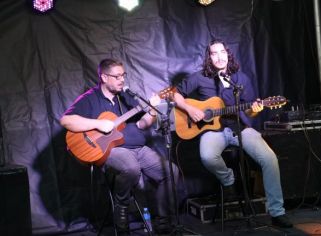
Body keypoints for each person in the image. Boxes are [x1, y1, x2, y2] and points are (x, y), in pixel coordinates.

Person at [173, 39, 293, 228]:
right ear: (209, 57)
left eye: (222, 52)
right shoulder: (198, 77)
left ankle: (277, 212)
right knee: (207, 156)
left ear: (228, 54)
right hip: (213, 130)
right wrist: (189, 109)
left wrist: (256, 108)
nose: (219, 57)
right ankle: (228, 179)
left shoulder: (240, 78)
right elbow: (176, 94)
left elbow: (249, 111)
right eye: (214, 53)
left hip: (239, 128)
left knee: (269, 159)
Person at [60, 58, 178, 234]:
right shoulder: (90, 98)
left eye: (123, 75)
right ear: (104, 77)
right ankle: (121, 205)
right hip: (111, 150)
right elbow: (66, 120)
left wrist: (152, 110)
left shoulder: (126, 96)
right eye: (117, 76)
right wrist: (98, 124)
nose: (122, 80)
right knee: (131, 168)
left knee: (171, 172)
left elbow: (143, 124)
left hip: (138, 148)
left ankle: (162, 222)